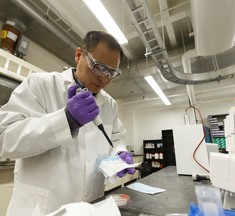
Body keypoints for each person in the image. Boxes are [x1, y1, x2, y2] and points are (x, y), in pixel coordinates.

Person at [0, 31, 135, 216]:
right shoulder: (40, 85)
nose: (104, 79)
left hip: (90, 207)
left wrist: (119, 153)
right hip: (43, 209)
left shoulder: (109, 104)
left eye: (111, 73)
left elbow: (116, 137)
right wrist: (67, 120)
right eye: (98, 67)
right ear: (79, 55)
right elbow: (4, 137)